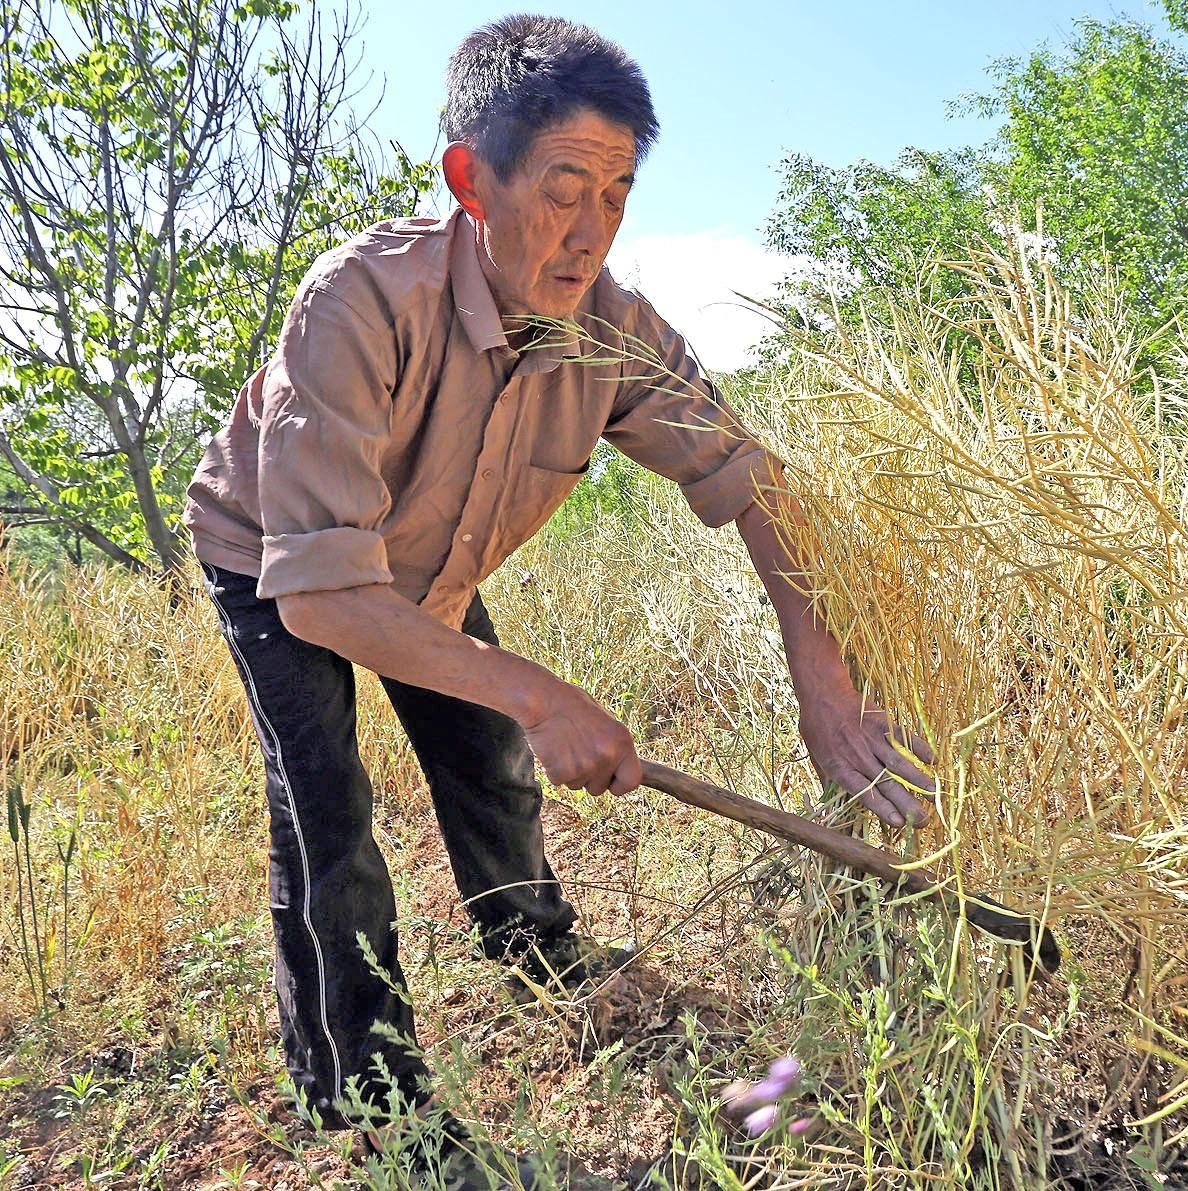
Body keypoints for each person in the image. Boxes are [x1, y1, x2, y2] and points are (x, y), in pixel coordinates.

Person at [182, 13, 937, 1187]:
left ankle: (533, 950)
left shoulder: (614, 337)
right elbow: (329, 596)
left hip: (430, 571)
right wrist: (543, 693)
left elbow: (757, 489)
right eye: (564, 188)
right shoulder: (359, 302)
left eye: (621, 192)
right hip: (280, 558)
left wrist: (822, 681)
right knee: (326, 807)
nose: (591, 233)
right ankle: (372, 1101)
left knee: (485, 750)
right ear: (472, 180)